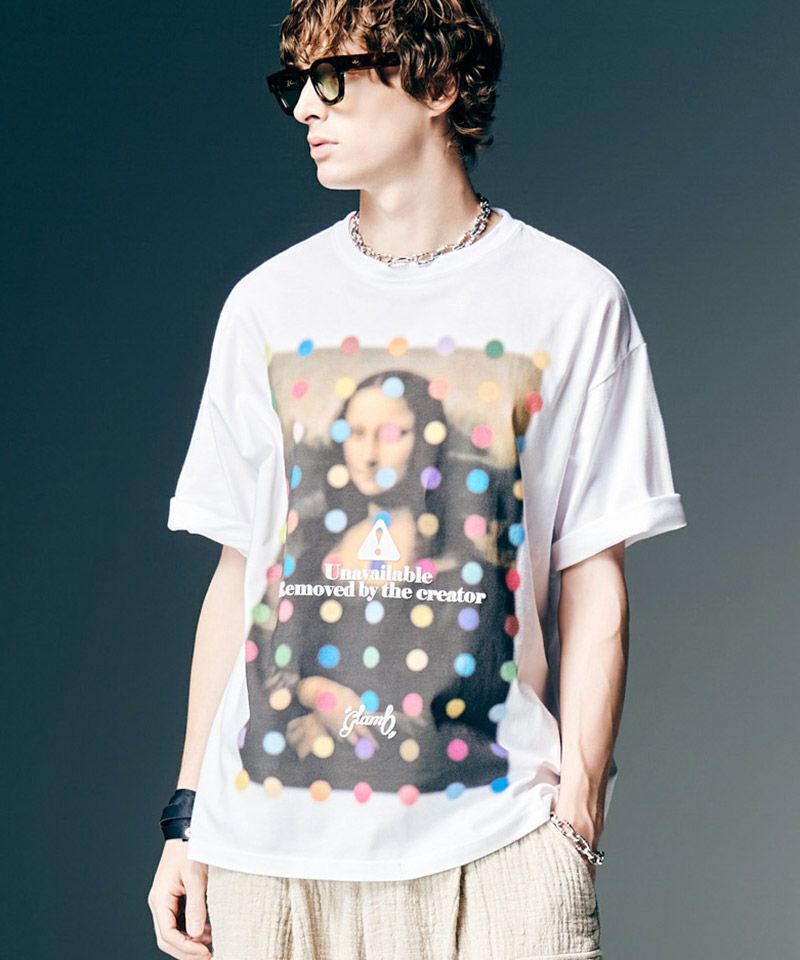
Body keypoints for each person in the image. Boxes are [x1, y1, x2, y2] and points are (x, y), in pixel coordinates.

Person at [147, 0, 688, 957]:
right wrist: (186, 819)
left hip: (497, 841)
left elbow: (593, 576)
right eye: (294, 85)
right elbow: (240, 576)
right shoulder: (266, 306)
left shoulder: (572, 300)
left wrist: (577, 817)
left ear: (437, 84)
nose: (305, 108)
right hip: (267, 850)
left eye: (333, 77)